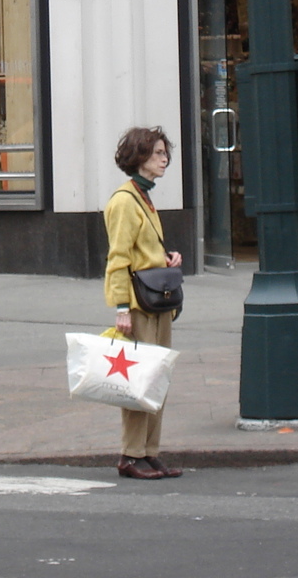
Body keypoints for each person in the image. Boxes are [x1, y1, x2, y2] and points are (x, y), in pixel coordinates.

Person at [103, 127, 183, 481]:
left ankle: (150, 452)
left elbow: (141, 250)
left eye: (165, 153)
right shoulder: (124, 201)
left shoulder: (144, 196)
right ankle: (130, 454)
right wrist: (121, 307)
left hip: (157, 301)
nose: (164, 159)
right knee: (139, 380)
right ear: (138, 158)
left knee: (157, 378)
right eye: (156, 154)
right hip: (138, 304)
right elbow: (118, 258)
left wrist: (164, 258)